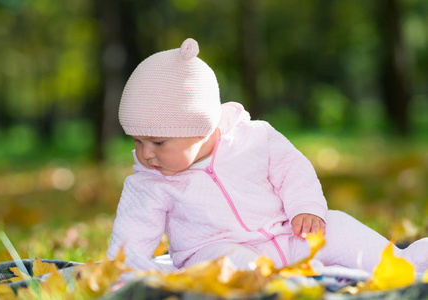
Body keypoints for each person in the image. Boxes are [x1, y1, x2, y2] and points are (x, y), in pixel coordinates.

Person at [107, 38, 428, 274]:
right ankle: (278, 289)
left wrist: (305, 208)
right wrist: (120, 269)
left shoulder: (254, 138)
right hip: (214, 251)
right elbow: (132, 235)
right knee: (228, 265)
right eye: (137, 140)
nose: (145, 154)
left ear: (203, 127)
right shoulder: (150, 184)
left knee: (338, 226)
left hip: (285, 235)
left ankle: (405, 264)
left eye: (158, 142)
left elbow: (292, 169)